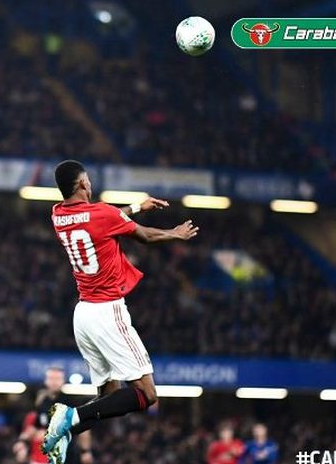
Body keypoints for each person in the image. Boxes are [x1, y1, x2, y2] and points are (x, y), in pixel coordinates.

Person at [43, 160, 199, 463]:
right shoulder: (102, 213)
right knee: (146, 394)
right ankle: (69, 417)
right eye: (87, 179)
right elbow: (145, 236)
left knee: (108, 398)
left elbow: (108, 219)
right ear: (82, 185)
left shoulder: (58, 214)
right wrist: (175, 233)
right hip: (107, 312)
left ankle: (65, 433)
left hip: (83, 315)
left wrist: (136, 206)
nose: (90, 183)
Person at [13, 367, 93, 464]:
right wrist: (22, 442)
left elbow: (83, 430)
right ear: (46, 381)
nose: (54, 382)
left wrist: (85, 451)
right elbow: (35, 426)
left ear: (63, 381)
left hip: (67, 455)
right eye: (51, 378)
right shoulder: (43, 403)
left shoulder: (71, 403)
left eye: (57, 379)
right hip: (45, 456)